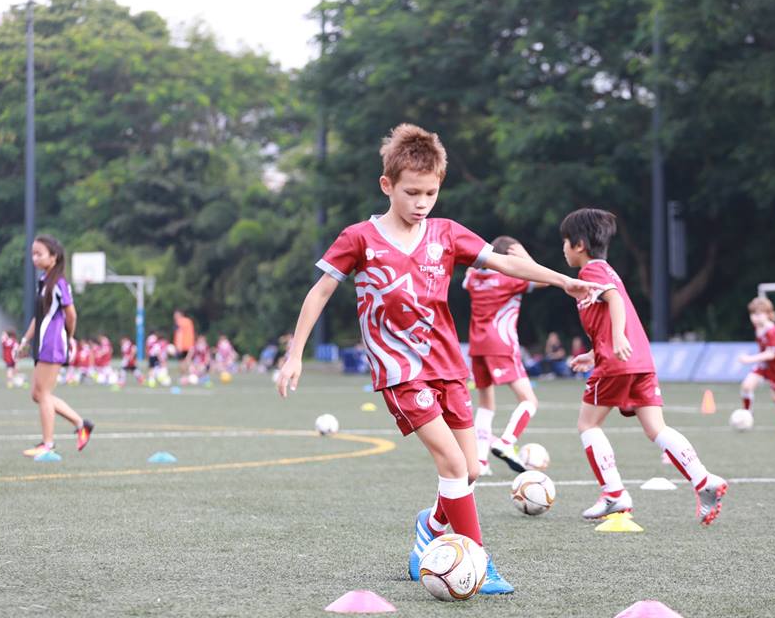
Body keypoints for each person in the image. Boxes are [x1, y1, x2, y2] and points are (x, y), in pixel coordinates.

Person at [275, 124, 602, 594]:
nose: (422, 202)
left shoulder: (446, 234)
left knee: (470, 470)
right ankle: (479, 563)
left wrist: (562, 280)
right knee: (451, 465)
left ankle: (429, 529)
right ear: (387, 186)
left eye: (431, 192)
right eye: (412, 192)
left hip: (449, 367)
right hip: (400, 373)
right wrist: (295, 354)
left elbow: (506, 262)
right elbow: (321, 290)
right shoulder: (359, 238)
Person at [562, 208, 728, 525]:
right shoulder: (607, 270)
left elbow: (615, 301)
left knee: (588, 425)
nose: (564, 249)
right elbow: (607, 318)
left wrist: (617, 340)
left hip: (618, 363)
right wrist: (594, 354)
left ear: (579, 245)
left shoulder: (593, 273)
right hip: (639, 362)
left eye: (565, 242)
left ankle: (613, 493)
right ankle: (704, 481)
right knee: (656, 428)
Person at [463, 235, 547, 475]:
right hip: (501, 344)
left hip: (477, 346)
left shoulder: (473, 278)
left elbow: (470, 272)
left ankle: (480, 461)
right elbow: (543, 279)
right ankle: (507, 441)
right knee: (529, 400)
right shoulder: (510, 279)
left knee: (486, 403)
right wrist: (524, 257)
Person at [16, 235, 94, 457]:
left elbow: (71, 314)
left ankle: (48, 444)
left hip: (52, 342)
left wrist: (69, 337)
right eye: (33, 253)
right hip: (42, 342)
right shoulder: (44, 281)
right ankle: (81, 424)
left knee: (43, 393)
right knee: (38, 394)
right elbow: (38, 317)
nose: (34, 257)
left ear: (54, 256)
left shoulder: (59, 282)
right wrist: (25, 340)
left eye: (39, 253)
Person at [738, 297, 775, 430]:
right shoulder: (758, 327)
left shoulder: (772, 331)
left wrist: (749, 359)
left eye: (759, 314)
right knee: (746, 386)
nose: (755, 317)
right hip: (764, 365)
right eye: (752, 314)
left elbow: (771, 354)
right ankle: (747, 414)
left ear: (768, 314)